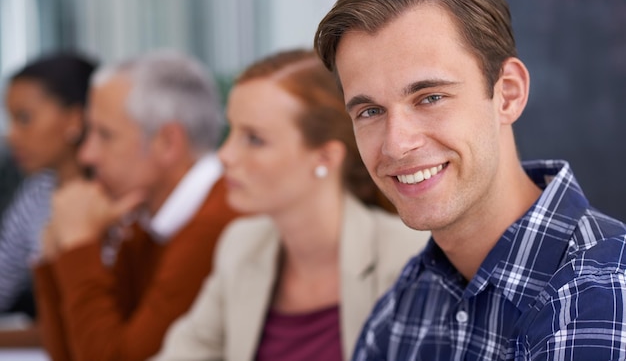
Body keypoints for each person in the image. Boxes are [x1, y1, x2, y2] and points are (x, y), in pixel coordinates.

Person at [314, 0, 626, 361]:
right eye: (370, 112)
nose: (396, 145)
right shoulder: (405, 302)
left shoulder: (601, 292)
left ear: (508, 94)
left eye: (430, 98)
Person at [152, 49, 429, 361]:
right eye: (231, 132)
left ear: (325, 158)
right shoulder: (241, 245)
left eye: (254, 139)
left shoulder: (409, 257)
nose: (224, 155)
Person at [32, 51, 242, 361]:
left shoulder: (217, 225)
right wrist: (56, 255)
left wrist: (78, 247)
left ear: (168, 143)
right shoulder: (142, 220)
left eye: (105, 135)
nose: (86, 155)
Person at [0, 53, 96, 319]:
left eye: (25, 118)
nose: (11, 135)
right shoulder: (37, 191)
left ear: (74, 120)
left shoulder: (116, 194)